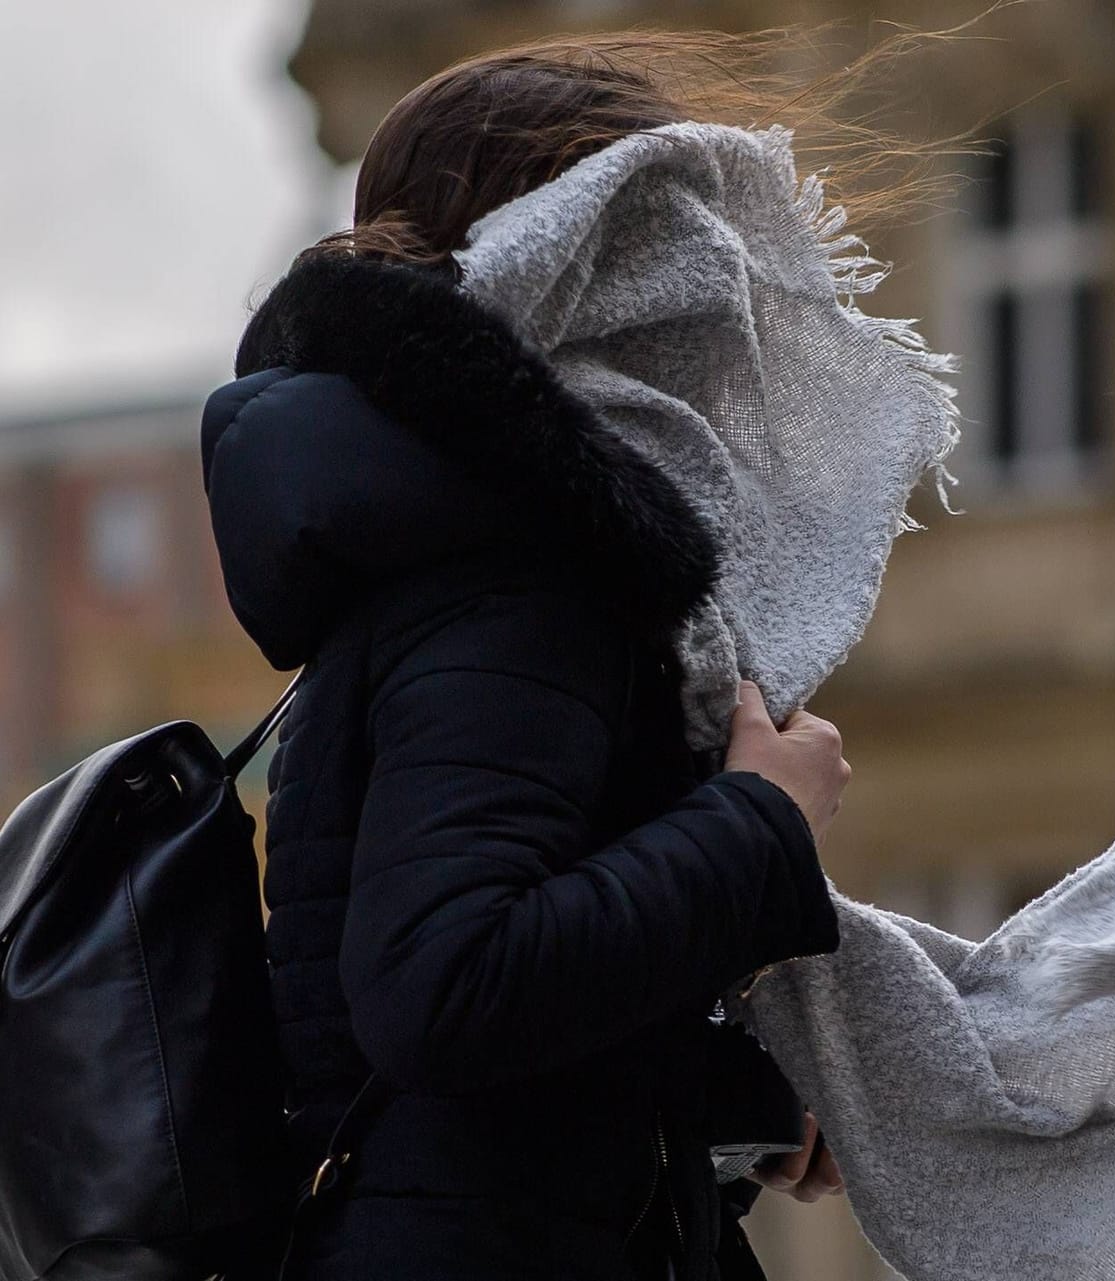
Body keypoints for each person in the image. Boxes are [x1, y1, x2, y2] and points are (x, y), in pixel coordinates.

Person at [199, 28, 941, 1281]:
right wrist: (759, 820)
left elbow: (497, 1075)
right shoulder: (517, 574)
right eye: (678, 239)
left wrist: (742, 1101)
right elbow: (447, 986)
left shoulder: (469, 542)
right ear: (585, 255)